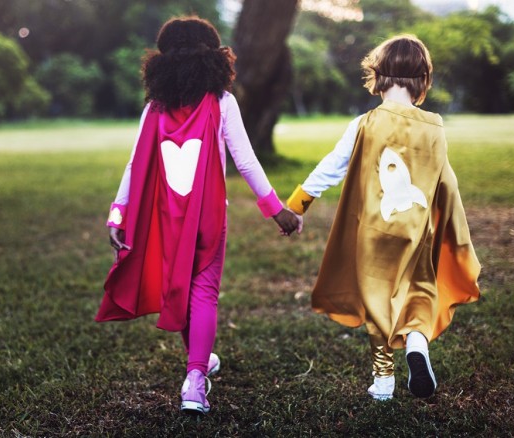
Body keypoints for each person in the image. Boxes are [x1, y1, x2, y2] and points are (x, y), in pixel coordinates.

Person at [95, 16, 301, 414]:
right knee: (203, 291)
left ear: (162, 62)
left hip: (164, 218)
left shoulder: (154, 109)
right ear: (215, 59)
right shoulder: (222, 102)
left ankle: (197, 367)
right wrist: (277, 210)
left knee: (180, 288)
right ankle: (195, 378)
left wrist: (118, 214)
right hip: (208, 217)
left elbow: (134, 166)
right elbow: (246, 161)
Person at [285, 34, 481, 400]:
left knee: (377, 298)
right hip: (416, 229)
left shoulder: (365, 123)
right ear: (423, 80)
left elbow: (333, 165)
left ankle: (384, 379)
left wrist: (297, 204)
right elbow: (446, 180)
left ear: (377, 75)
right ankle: (417, 346)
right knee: (418, 290)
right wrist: (453, 227)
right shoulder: (436, 125)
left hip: (373, 233)